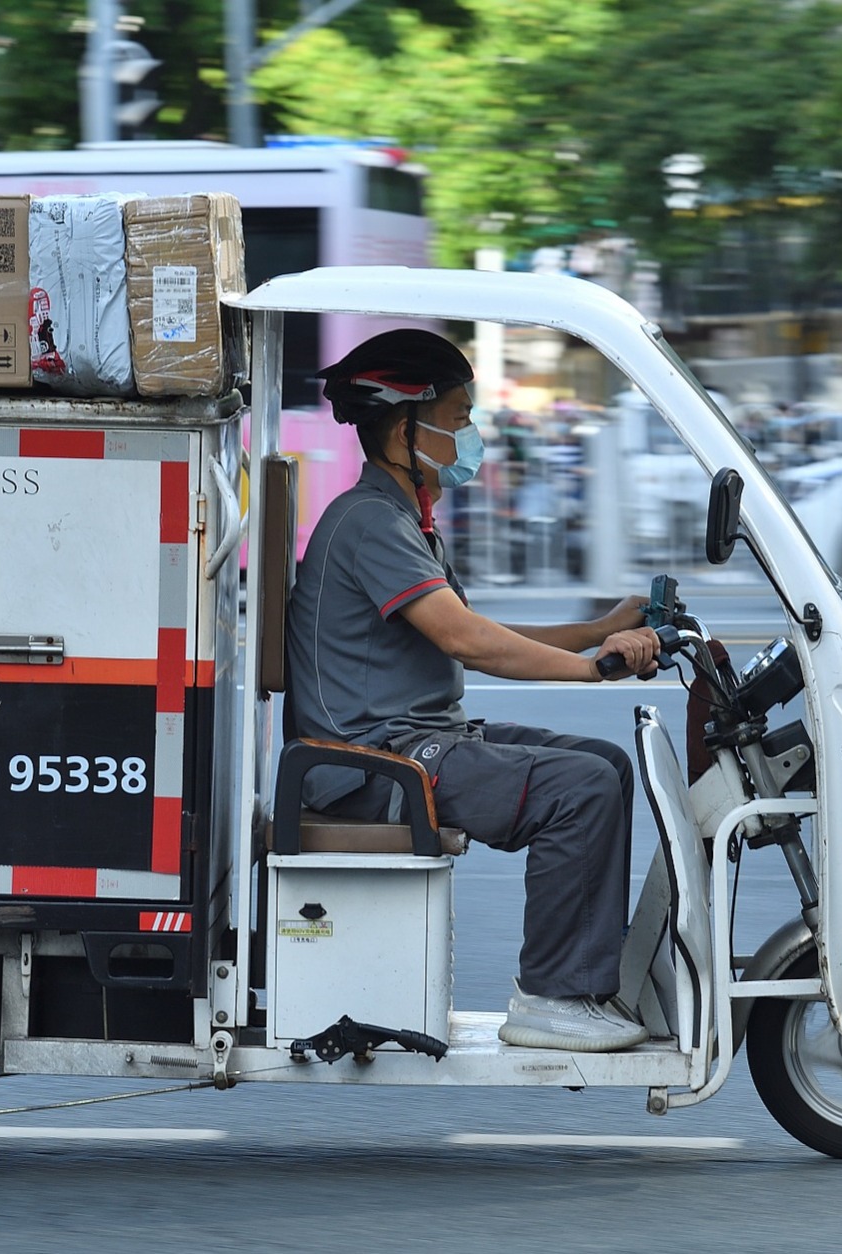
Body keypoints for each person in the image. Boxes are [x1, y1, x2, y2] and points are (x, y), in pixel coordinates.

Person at [283, 329, 662, 1053]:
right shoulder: (369, 523)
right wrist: (595, 669)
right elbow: (466, 642)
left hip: (409, 743)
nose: (470, 435)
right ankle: (552, 997)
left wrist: (594, 631)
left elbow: (471, 629)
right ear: (404, 428)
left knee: (604, 765)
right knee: (576, 789)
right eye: (457, 417)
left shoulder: (400, 520)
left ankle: (583, 979)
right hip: (369, 764)